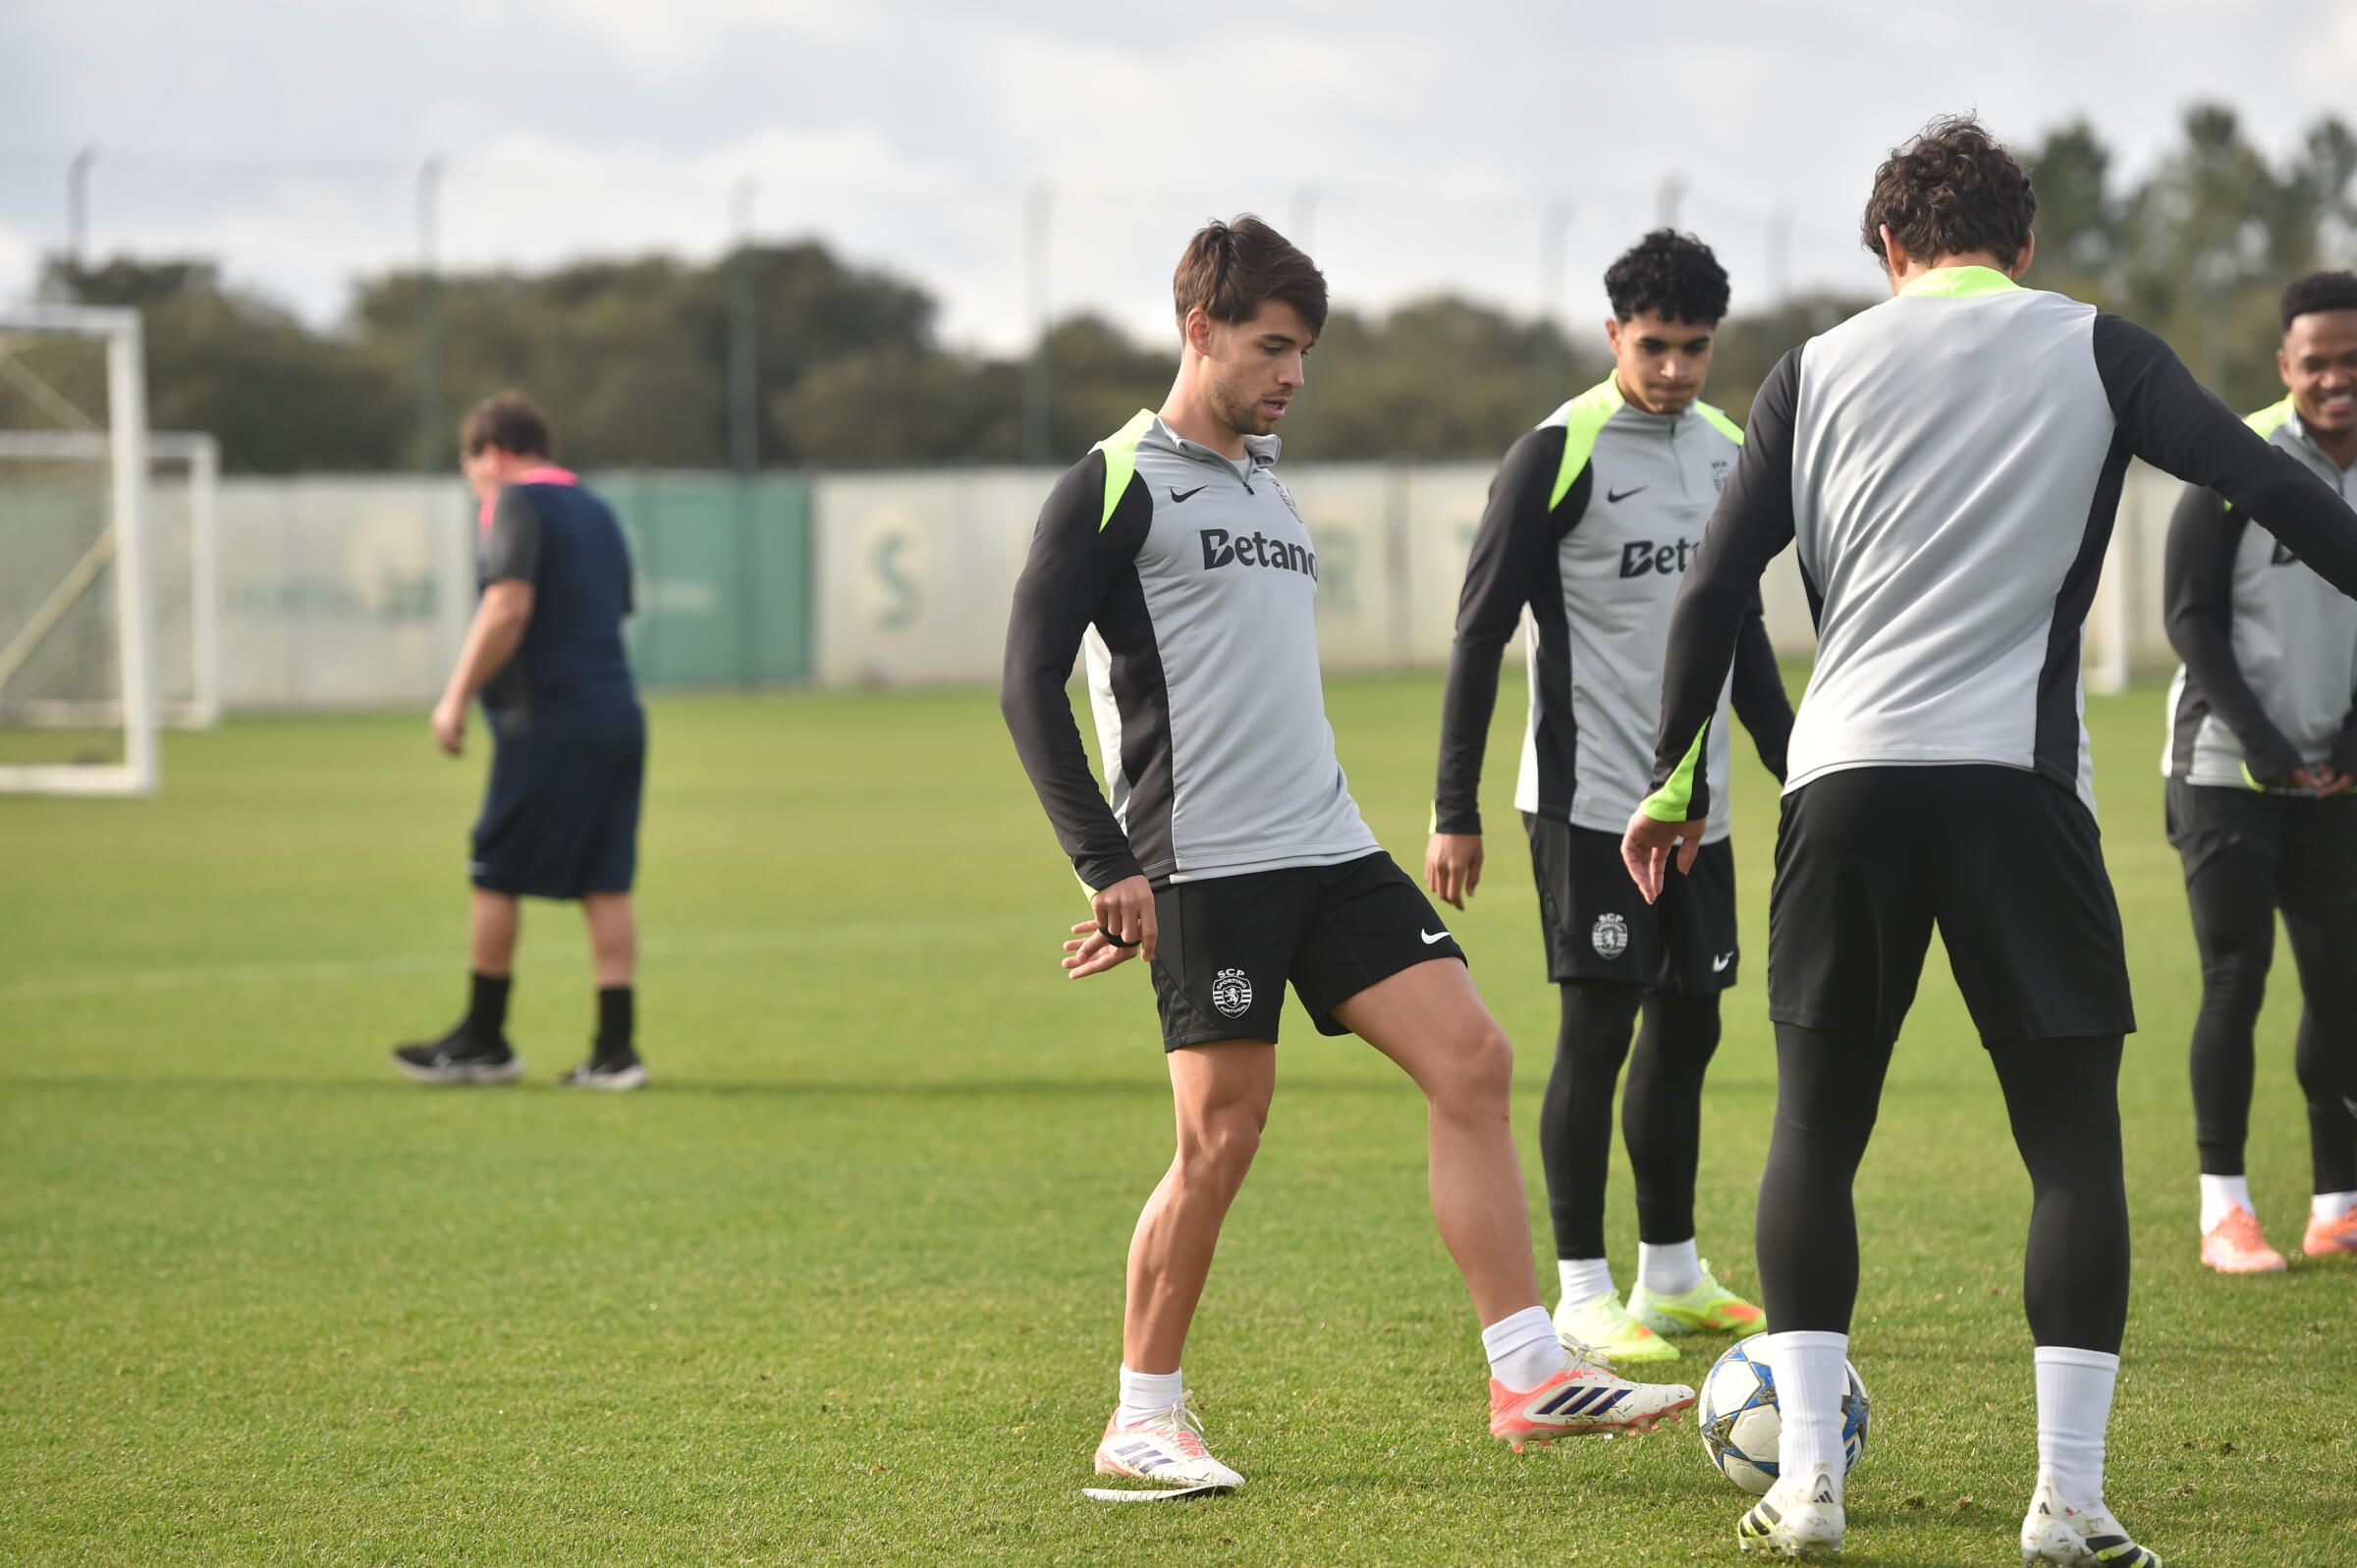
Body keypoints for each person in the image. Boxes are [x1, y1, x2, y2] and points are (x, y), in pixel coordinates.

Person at [1622, 117, 2357, 1563]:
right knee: (2071, 1149)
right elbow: (2267, 484)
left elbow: (1713, 593)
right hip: (2017, 784)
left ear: (1888, 249)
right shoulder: (2100, 346)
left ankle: (1812, 1486)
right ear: (2025, 246)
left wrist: (1669, 779)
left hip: (1841, 783)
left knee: (1817, 1132)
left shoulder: (1811, 369)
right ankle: (2067, 1502)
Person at [1001, 217, 1693, 1494]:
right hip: (1205, 864)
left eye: (1305, 351)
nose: (1294, 376)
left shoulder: (1265, 483)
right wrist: (1110, 863)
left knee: (1473, 1057)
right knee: (1223, 1135)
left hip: (1327, 843)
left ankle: (1528, 1368)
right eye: (1273, 346)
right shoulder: (1114, 483)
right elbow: (1027, 683)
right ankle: (1142, 1415)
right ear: (1196, 328)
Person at [1427, 229, 1789, 1367]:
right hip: (1587, 805)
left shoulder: (1735, 446)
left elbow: (1747, 636)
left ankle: (1671, 1273)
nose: (1676, 368)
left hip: (1704, 810)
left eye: (1694, 347)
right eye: (1654, 345)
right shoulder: (1558, 450)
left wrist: (1802, 765)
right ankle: (1582, 1289)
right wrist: (1456, 805)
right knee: (1600, 1025)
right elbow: (1482, 632)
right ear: (1611, 334)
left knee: (1694, 1023)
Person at [2163, 269, 2357, 1273]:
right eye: (2315, 362)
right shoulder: (2239, 459)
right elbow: (2190, 618)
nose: (2335, 380)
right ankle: (2224, 1208)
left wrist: (2342, 750)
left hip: (2336, 780)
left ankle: (2339, 1202)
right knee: (2236, 979)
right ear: (2286, 366)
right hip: (2225, 769)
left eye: (2350, 360)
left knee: (2343, 984)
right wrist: (2271, 750)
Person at [392, 393, 648, 1092]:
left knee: (496, 868)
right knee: (605, 879)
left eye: (471, 465)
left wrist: (454, 697)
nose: (474, 479)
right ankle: (616, 1050)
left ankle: (483, 1037)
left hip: (549, 720)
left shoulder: (516, 502)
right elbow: (615, 607)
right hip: (619, 713)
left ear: (495, 453)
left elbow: (508, 605)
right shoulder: (597, 510)